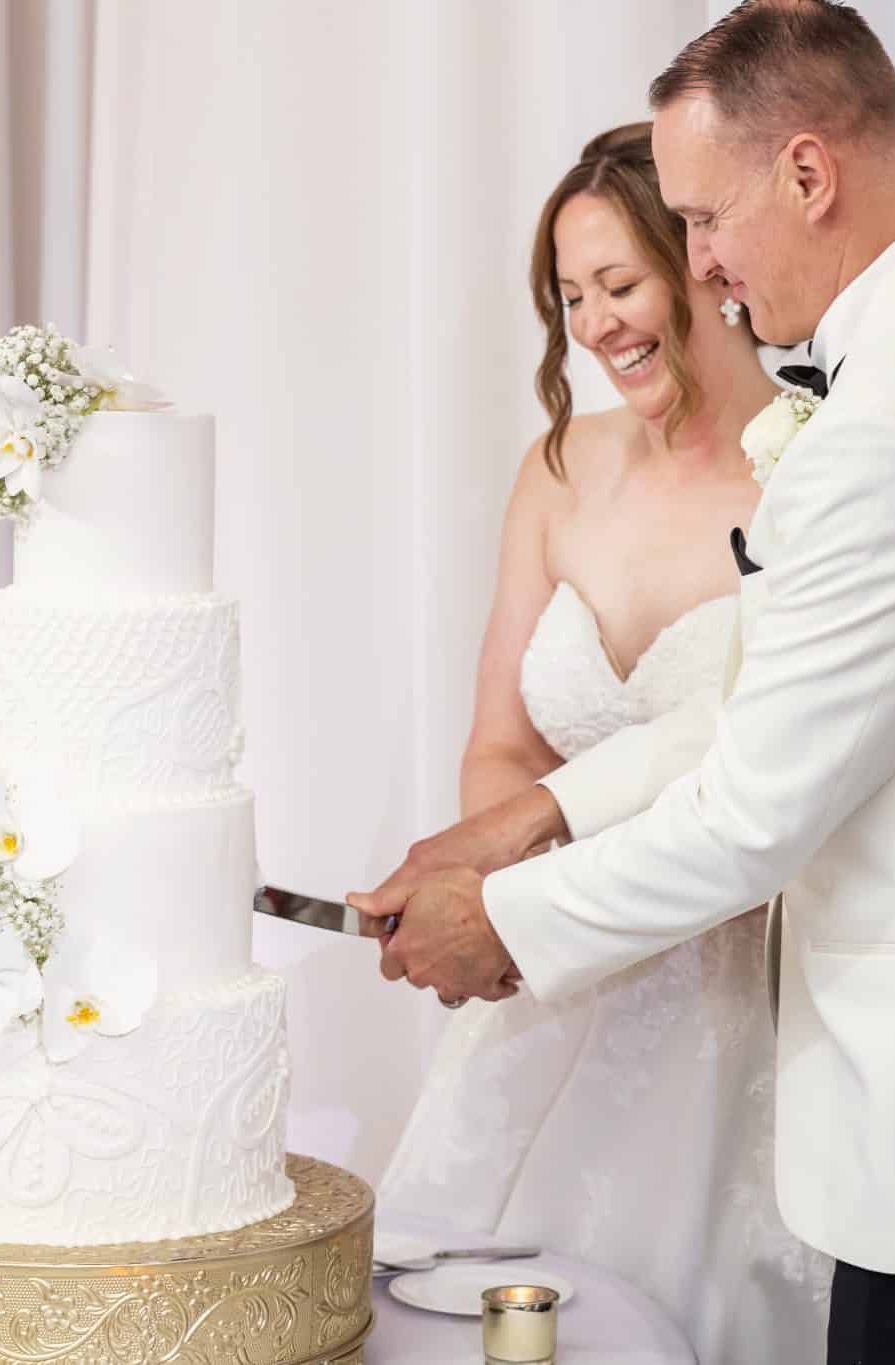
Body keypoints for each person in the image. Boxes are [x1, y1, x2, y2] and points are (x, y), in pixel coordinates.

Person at [352, 3, 895, 1361]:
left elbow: (756, 812)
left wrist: (506, 924)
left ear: (810, 173)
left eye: (703, 219)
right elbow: (788, 692)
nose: (703, 269)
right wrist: (537, 814)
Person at [375, 123, 831, 1361]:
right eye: (568, 298)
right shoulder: (559, 468)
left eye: (618, 286)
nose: (594, 327)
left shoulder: (820, 475)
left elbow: (780, 777)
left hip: (742, 1015)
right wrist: (508, 903)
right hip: (539, 998)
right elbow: (499, 750)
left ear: (703, 260)